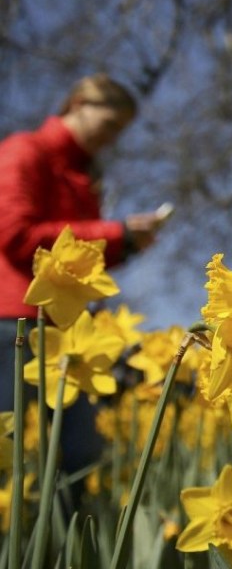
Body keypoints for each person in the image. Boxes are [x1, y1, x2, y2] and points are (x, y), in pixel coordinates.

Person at [0, 74, 162, 483]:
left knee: (80, 455)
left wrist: (126, 244)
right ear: (77, 105)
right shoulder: (23, 151)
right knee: (8, 445)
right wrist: (114, 233)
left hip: (69, 330)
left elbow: (78, 261)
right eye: (109, 125)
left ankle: (55, 544)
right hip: (14, 322)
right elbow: (15, 235)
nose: (111, 138)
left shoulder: (82, 178)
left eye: (119, 132)